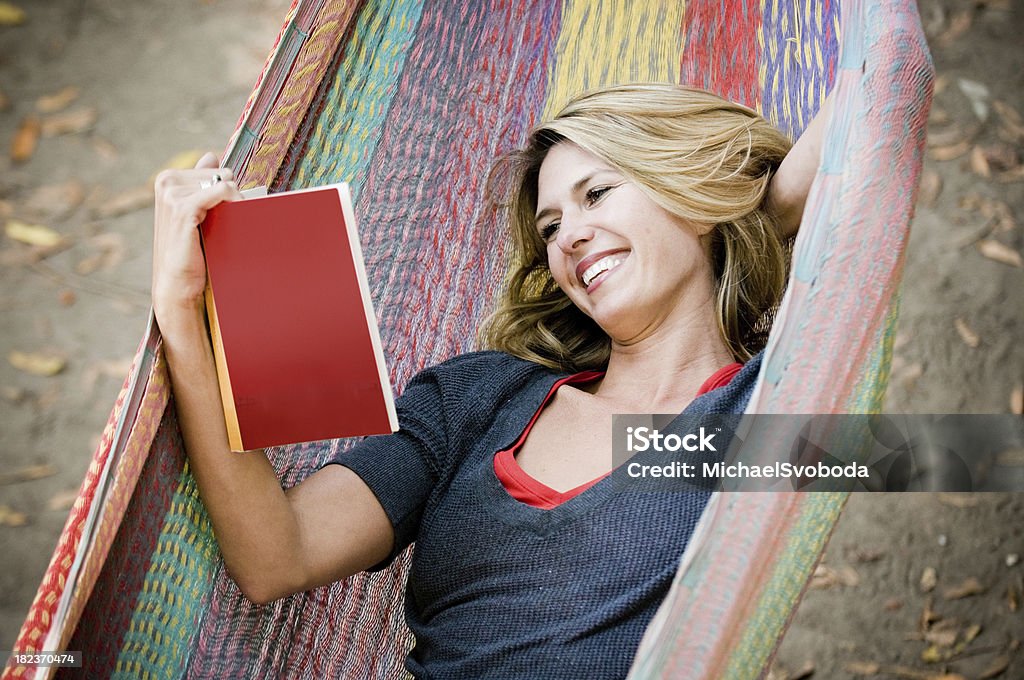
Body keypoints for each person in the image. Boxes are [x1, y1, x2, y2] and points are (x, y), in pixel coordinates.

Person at [151, 83, 829, 678]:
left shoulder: (755, 416)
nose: (570, 238)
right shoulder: (478, 400)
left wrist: (744, 216)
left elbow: (885, 90)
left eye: (599, 195)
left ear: (688, 187)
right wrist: (181, 314)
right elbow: (279, 557)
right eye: (552, 225)